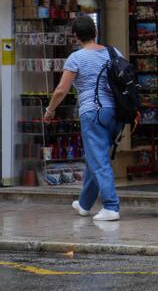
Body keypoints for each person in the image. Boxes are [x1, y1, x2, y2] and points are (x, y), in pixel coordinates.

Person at [43, 17, 123, 221]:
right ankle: (85, 204)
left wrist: (50, 110)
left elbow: (61, 90)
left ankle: (111, 206)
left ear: (76, 36)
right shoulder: (114, 53)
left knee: (99, 160)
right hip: (115, 112)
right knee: (95, 158)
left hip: (92, 112)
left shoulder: (76, 58)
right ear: (95, 32)